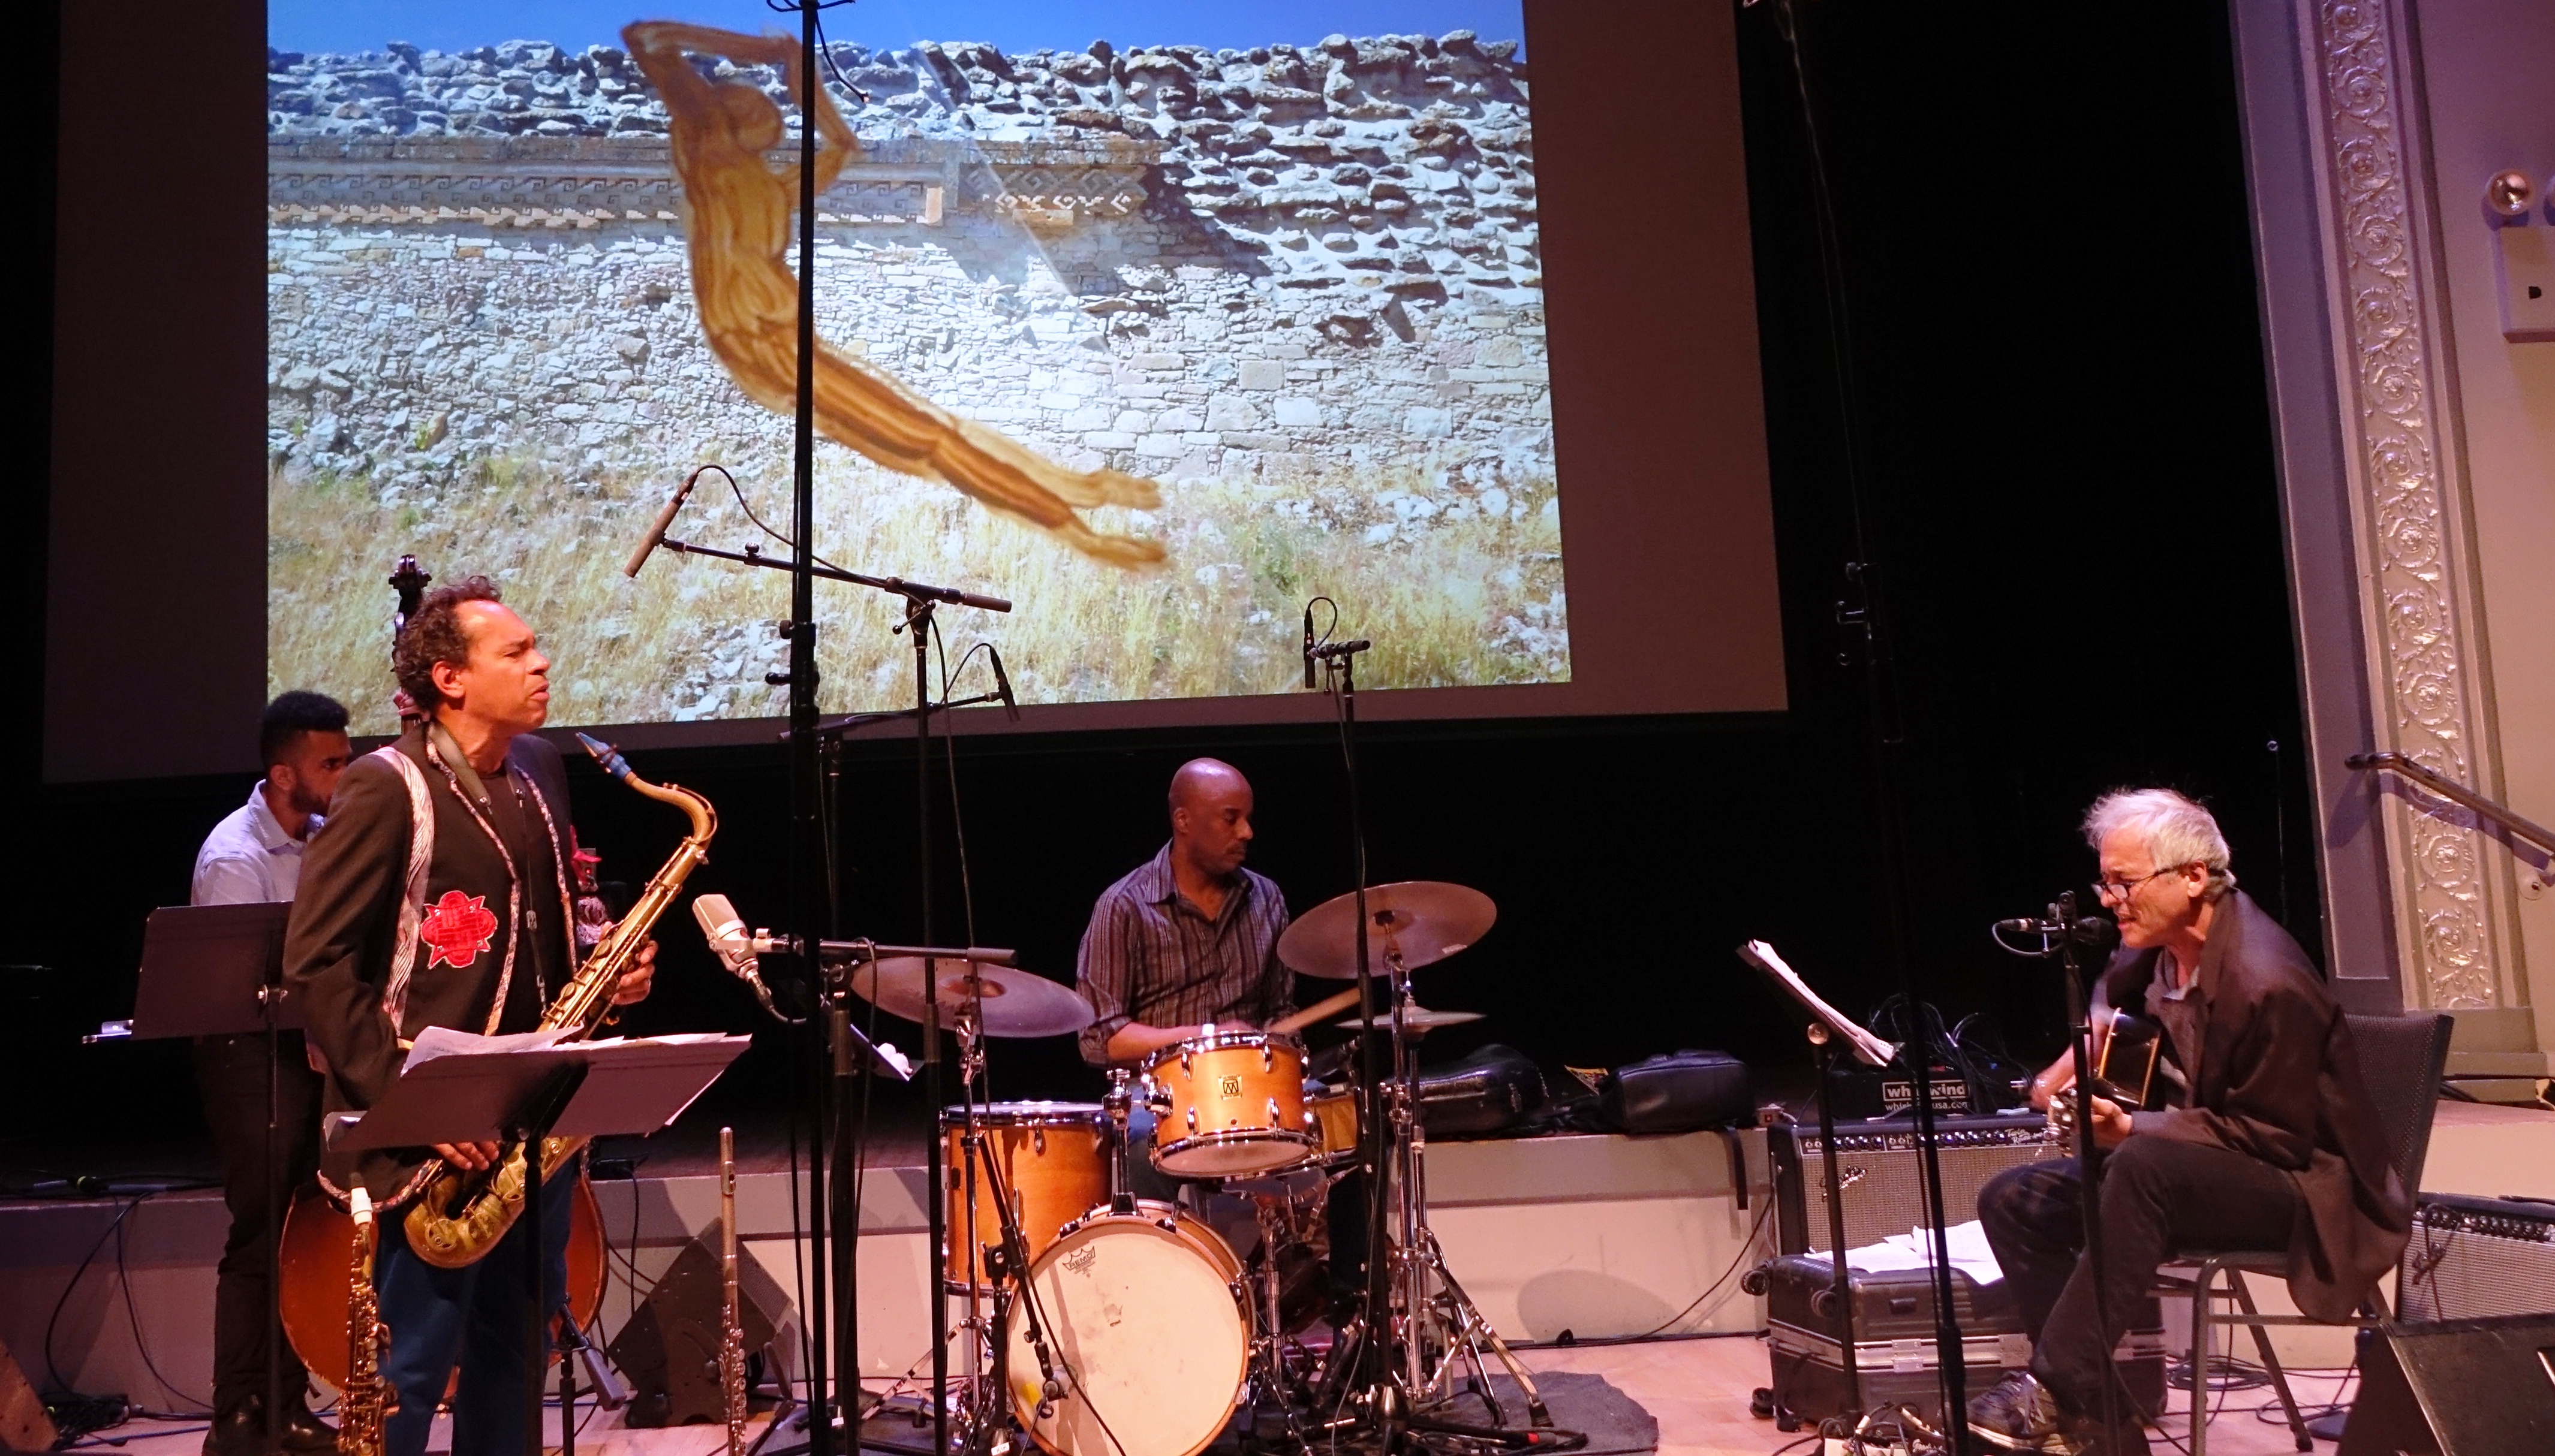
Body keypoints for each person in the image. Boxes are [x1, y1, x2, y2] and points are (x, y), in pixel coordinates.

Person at [284, 578, 655, 1456]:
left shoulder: (538, 769)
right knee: (406, 1375)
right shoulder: (384, 789)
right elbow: (316, 961)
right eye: (517, 652)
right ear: (450, 679)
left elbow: (546, 919)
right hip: (430, 1138)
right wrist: (412, 1101)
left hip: (533, 1124)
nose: (543, 663)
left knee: (515, 1361)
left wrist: (609, 967)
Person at [621, 20, 1166, 566]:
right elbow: (650, 41)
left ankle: (1076, 495)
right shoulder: (708, 155)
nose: (772, 115)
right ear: (720, 117)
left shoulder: (764, 186)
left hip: (782, 336)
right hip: (755, 338)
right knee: (922, 439)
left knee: (932, 433)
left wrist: (800, 71)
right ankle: (1079, 527)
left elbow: (840, 147)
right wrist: (765, 51)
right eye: (752, 106)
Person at [1965, 789, 2407, 1456]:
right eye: (2105, 881)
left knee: (2143, 1166)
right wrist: (2069, 1090)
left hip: (2306, 1191)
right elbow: (2109, 1017)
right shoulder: (2153, 949)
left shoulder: (2267, 980)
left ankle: (2055, 1385)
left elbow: (2275, 1137)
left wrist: (2134, 1130)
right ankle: (2105, 1432)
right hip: (2206, 1167)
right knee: (2013, 1199)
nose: (2109, 899)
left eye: (2124, 882)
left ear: (2193, 876)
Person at [190, 692, 352, 1455]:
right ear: (285, 775)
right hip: (248, 1057)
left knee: (294, 1230)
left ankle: (288, 1405)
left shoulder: (322, 837)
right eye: (332, 762)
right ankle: (240, 1417)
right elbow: (230, 993)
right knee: (260, 1234)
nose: (345, 773)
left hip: (301, 1050)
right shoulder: (235, 856)